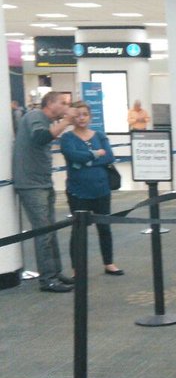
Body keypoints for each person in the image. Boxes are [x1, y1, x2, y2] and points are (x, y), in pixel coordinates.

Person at [12, 91, 76, 293]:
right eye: (62, 103)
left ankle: (54, 272)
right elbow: (40, 137)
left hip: (42, 182)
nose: (66, 106)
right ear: (49, 103)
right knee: (44, 233)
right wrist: (66, 121)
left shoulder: (45, 120)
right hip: (32, 185)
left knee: (49, 231)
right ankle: (47, 278)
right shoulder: (35, 116)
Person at [59, 102, 122, 276]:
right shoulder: (67, 138)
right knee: (78, 231)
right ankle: (76, 268)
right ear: (72, 117)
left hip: (101, 189)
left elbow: (109, 156)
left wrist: (84, 161)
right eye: (77, 115)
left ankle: (109, 263)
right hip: (78, 191)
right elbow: (72, 156)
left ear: (90, 116)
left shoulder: (100, 136)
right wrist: (95, 154)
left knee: (104, 228)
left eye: (85, 114)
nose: (81, 118)